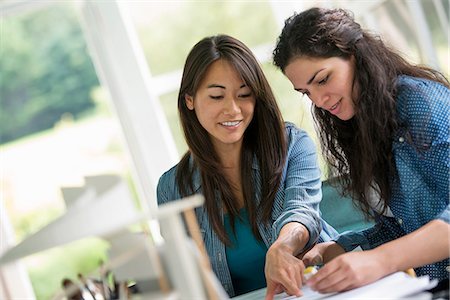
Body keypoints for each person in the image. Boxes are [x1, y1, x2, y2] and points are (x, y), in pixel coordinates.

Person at [273, 7, 449, 294]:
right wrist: (340, 247)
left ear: (354, 56)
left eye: (322, 79)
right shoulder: (360, 123)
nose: (318, 100)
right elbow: (407, 225)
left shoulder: (419, 103)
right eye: (306, 91)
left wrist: (378, 260)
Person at [157, 34, 338, 298]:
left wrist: (282, 247)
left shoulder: (292, 145)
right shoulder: (172, 188)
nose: (233, 109)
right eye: (217, 96)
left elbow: (301, 211)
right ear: (190, 100)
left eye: (244, 95)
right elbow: (186, 278)